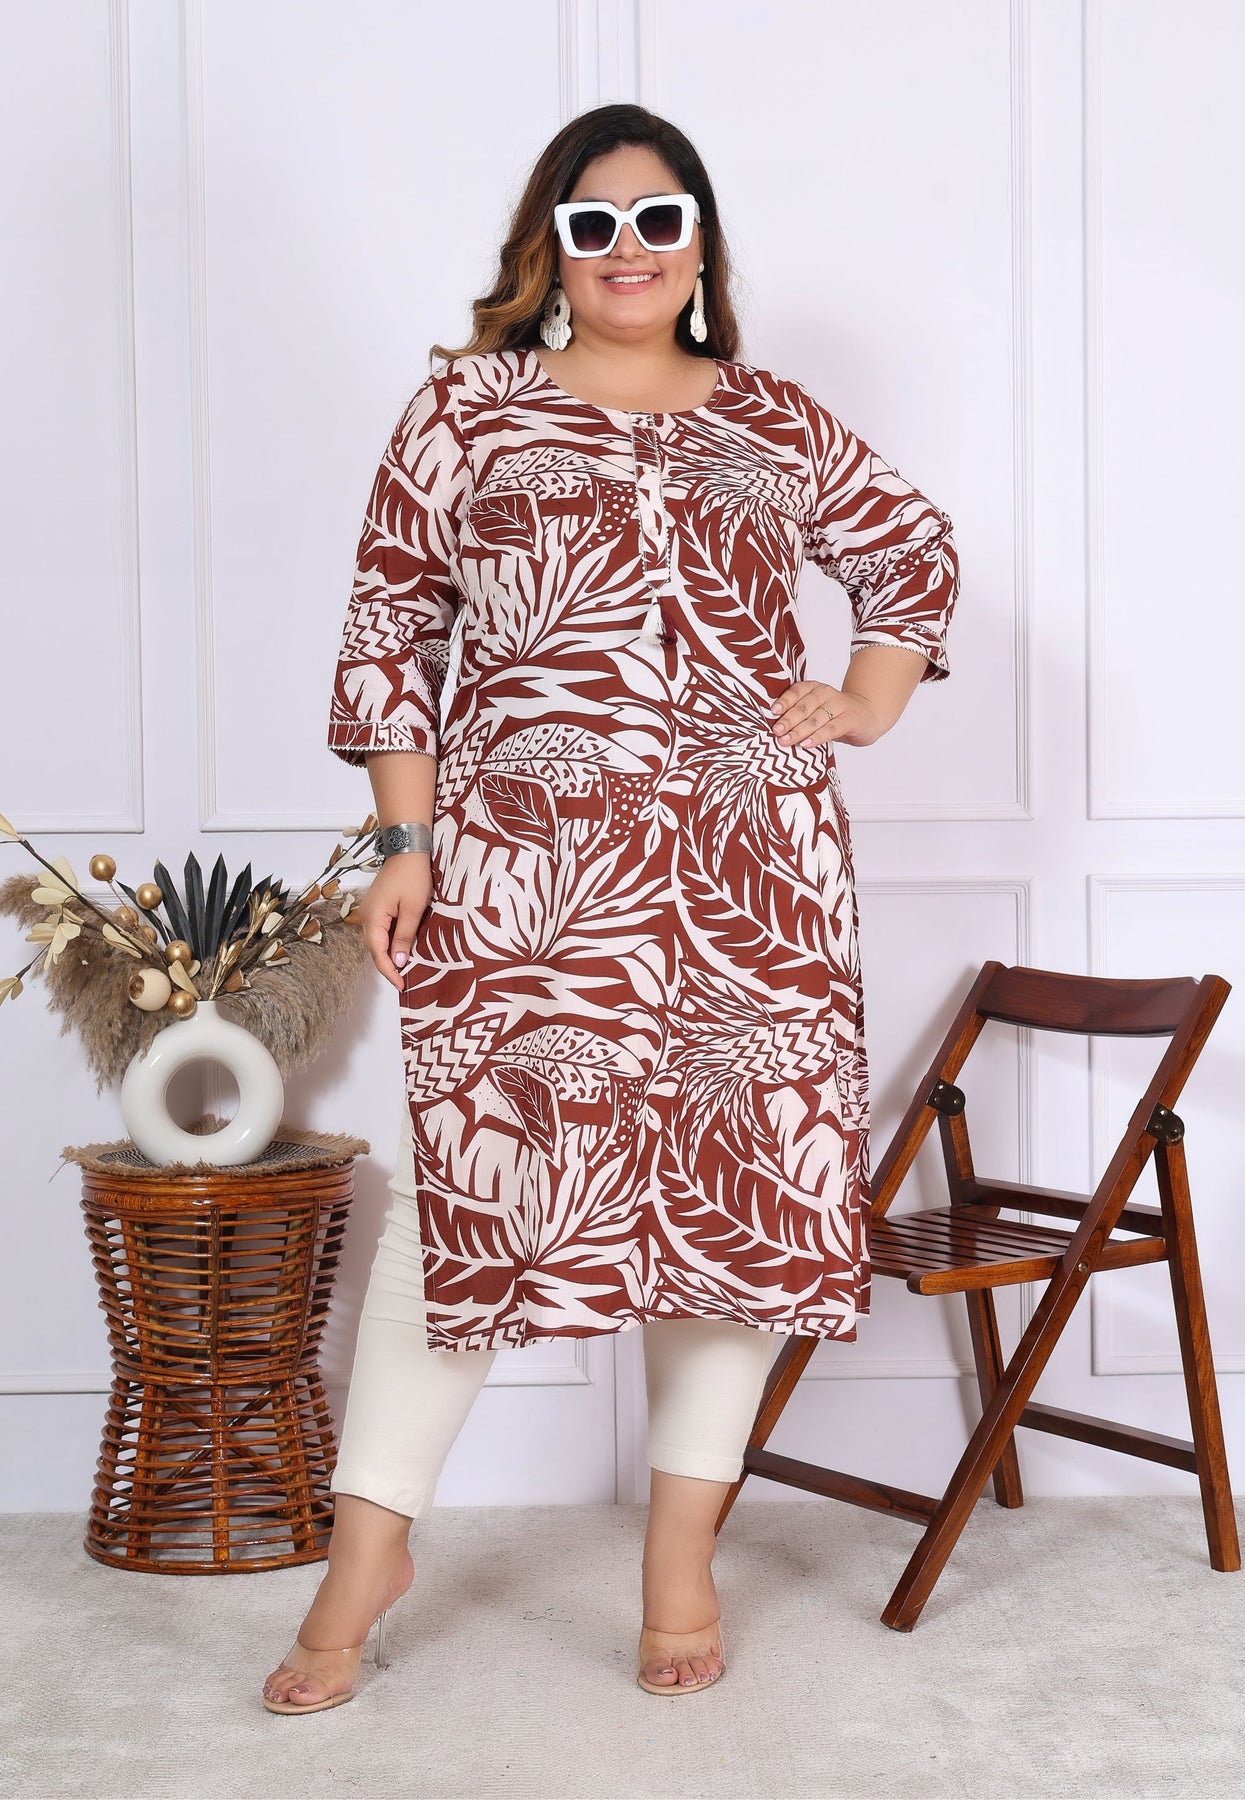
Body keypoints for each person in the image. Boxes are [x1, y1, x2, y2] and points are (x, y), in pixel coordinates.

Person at [261, 101, 959, 1714]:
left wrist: (865, 698)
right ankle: (366, 1558)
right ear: (549, 251)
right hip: (523, 870)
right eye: (593, 225)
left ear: (700, 246)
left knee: (728, 1207)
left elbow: (908, 553)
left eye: (658, 221)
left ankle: (679, 1559)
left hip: (751, 875)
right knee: (469, 1193)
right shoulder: (467, 409)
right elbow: (391, 624)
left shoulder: (774, 417)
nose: (627, 249)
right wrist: (402, 841)